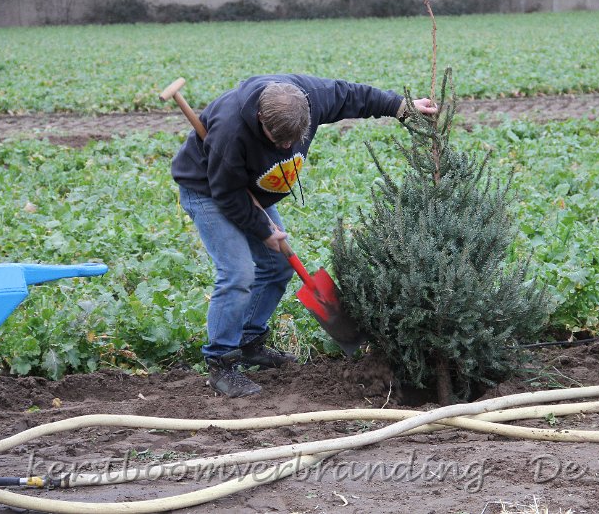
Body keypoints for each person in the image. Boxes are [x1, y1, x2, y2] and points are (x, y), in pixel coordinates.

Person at [172, 74, 437, 397]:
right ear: (260, 119)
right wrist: (261, 229)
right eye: (278, 141)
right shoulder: (230, 131)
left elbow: (351, 95)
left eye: (292, 141)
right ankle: (221, 363)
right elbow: (226, 193)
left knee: (277, 267)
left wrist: (399, 106)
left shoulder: (310, 96)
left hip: (250, 190)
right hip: (209, 191)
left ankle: (249, 342)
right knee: (237, 272)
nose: (286, 147)